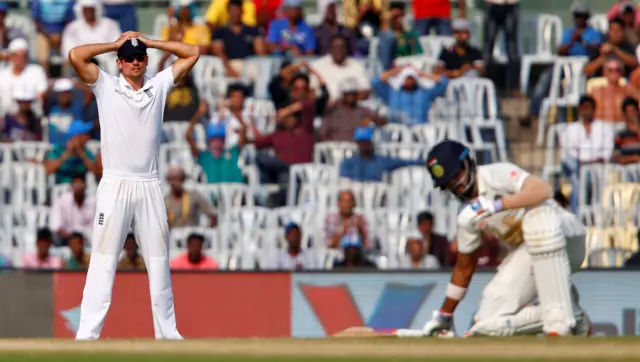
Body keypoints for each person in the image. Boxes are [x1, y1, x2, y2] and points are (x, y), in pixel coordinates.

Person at [68, 31, 199, 340]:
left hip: (149, 185)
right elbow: (76, 55)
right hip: (115, 185)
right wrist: (115, 44)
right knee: (103, 261)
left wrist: (150, 42)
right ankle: (87, 334)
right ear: (120, 62)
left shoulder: (159, 84)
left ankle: (168, 334)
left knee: (158, 263)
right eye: (129, 58)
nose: (136, 63)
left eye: (140, 58)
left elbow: (192, 52)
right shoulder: (106, 86)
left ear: (146, 60)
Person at [417, 140, 591, 337]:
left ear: (468, 163)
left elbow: (543, 190)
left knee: (538, 221)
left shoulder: (495, 174)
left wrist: (498, 205)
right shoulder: (467, 216)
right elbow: (464, 269)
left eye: (457, 175)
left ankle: (560, 322)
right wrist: (444, 315)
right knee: (487, 322)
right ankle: (573, 315)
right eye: (448, 183)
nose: (456, 185)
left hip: (566, 235)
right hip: (530, 255)